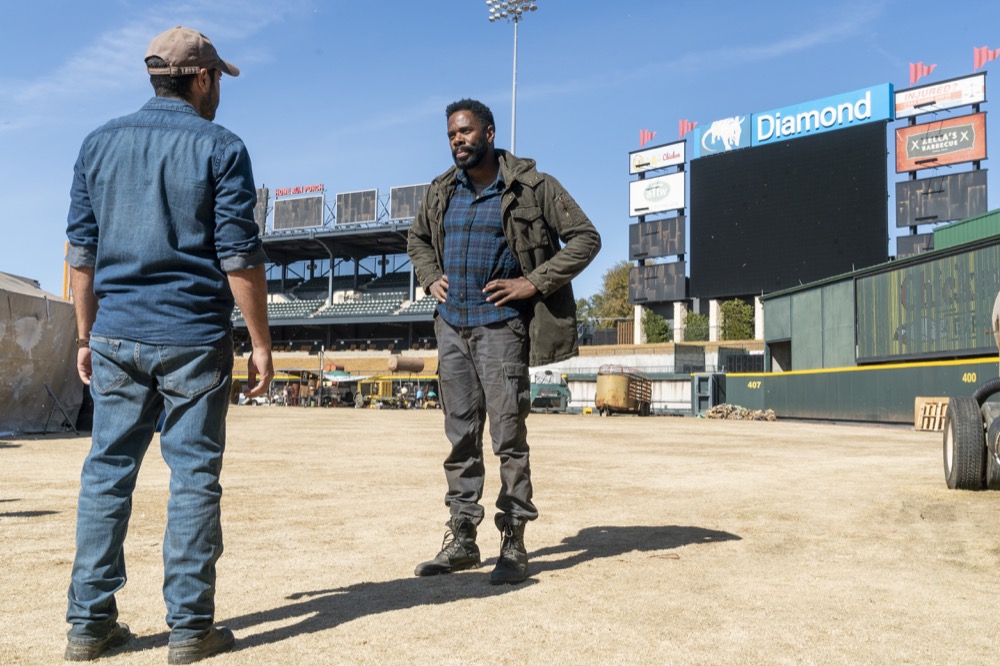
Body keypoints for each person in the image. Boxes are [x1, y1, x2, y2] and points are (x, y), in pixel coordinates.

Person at [64, 26, 273, 663]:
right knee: (193, 480)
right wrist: (261, 343)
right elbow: (239, 256)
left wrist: (84, 334)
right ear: (203, 78)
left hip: (116, 332)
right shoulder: (222, 146)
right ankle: (189, 629)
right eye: (218, 82)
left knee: (106, 476)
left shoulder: (98, 142)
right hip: (191, 335)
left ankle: (88, 626)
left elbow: (81, 252)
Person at [407, 99, 601, 585]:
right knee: (460, 438)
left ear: (489, 133)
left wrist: (533, 282)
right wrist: (430, 276)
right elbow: (417, 240)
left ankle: (513, 540)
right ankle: (462, 538)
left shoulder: (533, 187)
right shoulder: (439, 192)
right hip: (451, 326)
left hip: (501, 328)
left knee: (508, 438)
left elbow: (585, 237)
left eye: (466, 132)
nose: (457, 140)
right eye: (451, 134)